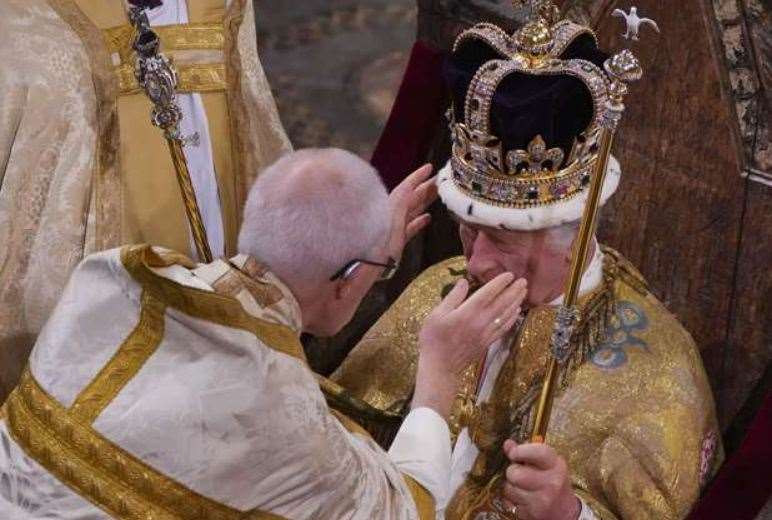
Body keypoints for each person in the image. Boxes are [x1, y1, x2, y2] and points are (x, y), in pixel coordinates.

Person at [331, 5, 723, 519]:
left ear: (574, 234)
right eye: (468, 232)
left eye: (503, 240)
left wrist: (567, 513)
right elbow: (330, 445)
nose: (475, 263)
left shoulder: (658, 371)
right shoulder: (439, 288)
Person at [0, 148, 528, 519]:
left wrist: (361, 249)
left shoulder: (107, 282)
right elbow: (402, 507)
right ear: (347, 283)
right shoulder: (279, 414)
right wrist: (437, 376)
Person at [0, 0, 292, 401]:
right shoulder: (24, 18)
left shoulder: (222, 7)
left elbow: (248, 119)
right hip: (92, 315)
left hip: (216, 267)